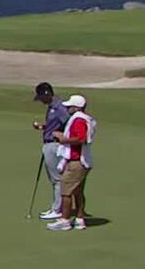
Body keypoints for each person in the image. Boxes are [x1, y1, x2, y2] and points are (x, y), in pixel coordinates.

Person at [48, 95, 96, 232]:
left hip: (76, 161)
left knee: (66, 192)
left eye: (70, 106)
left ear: (77, 107)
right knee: (78, 191)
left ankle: (64, 220)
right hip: (80, 160)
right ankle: (80, 219)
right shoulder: (81, 119)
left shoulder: (79, 120)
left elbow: (81, 139)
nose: (68, 108)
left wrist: (63, 139)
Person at [31, 81, 71, 220]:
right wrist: (44, 127)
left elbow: (68, 124)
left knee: (57, 179)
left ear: (47, 94)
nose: (41, 100)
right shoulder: (52, 107)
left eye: (41, 97)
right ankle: (56, 207)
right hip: (49, 144)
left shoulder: (59, 107)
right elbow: (55, 125)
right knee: (54, 179)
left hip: (55, 146)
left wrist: (60, 137)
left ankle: (58, 210)